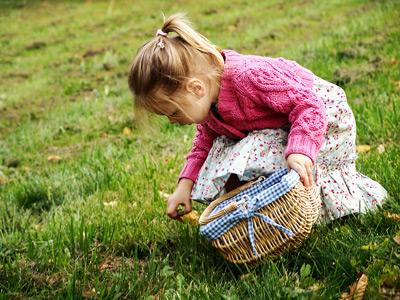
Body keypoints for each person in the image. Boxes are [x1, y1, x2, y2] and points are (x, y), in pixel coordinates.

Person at [128, 13, 387, 222]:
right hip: (284, 121)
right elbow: (203, 143)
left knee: (251, 150)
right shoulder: (209, 101)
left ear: (196, 88)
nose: (172, 120)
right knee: (221, 148)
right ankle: (266, 206)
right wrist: (184, 185)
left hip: (322, 117)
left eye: (173, 112)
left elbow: (308, 105)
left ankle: (295, 199)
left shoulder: (247, 78)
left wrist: (299, 150)